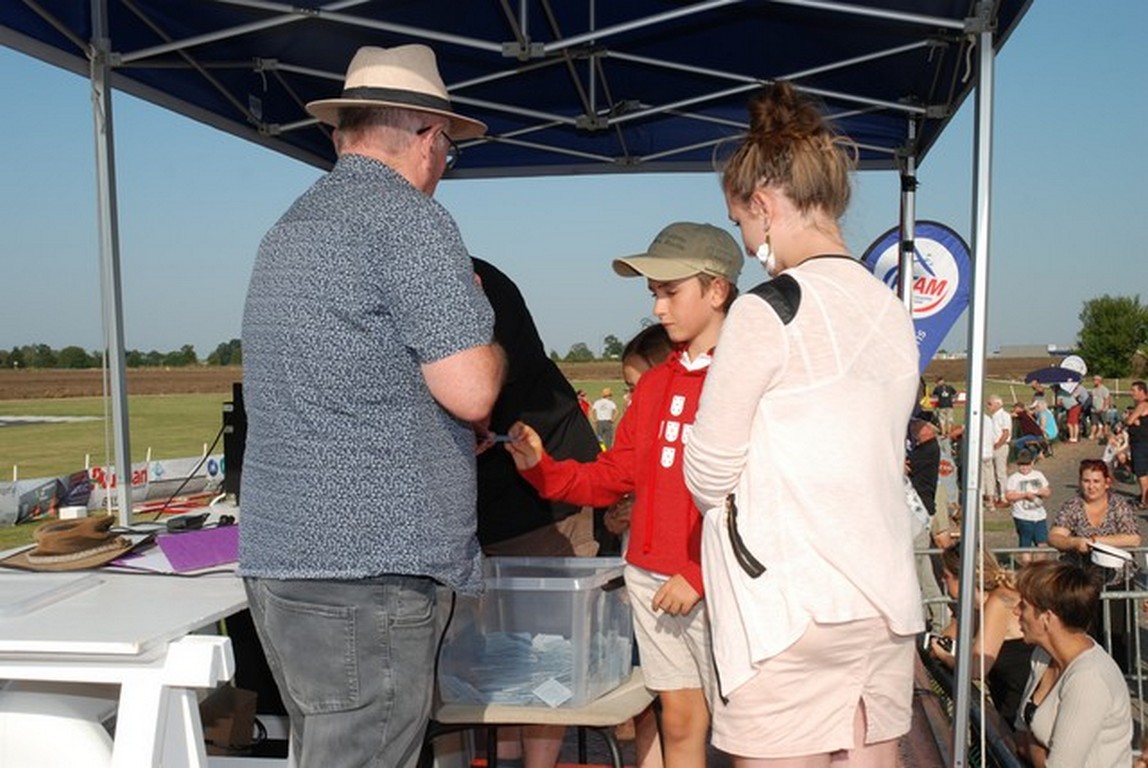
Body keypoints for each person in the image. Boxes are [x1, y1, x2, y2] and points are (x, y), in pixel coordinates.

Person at [238, 45, 504, 768]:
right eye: (448, 148)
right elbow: (473, 389)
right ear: (427, 137)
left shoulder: (289, 229)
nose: (444, 164)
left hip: (284, 559)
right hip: (371, 569)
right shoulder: (409, 221)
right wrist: (481, 327)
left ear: (343, 134)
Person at [683, 82, 923, 766]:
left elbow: (708, 471)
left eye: (740, 222)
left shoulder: (767, 309)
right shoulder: (891, 310)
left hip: (789, 609)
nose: (746, 238)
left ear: (763, 206)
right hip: (881, 598)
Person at [507, 221, 744, 768]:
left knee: (743, 731)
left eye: (671, 292)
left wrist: (699, 572)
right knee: (678, 718)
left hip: (717, 582)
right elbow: (615, 474)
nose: (658, 308)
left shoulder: (744, 377)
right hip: (650, 579)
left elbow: (758, 496)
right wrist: (543, 470)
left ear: (717, 290)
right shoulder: (656, 384)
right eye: (654, 293)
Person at [471, 257, 605, 768]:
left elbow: (483, 385)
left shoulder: (473, 281)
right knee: (491, 654)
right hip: (476, 507)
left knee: (548, 649)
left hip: (545, 496)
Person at [603, 323, 674, 768]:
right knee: (646, 697)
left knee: (678, 705)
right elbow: (617, 493)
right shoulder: (635, 430)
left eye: (636, 386)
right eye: (628, 389)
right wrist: (615, 517)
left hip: (675, 589)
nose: (631, 399)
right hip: (640, 584)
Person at [1013, 560, 1132, 768]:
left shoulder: (1088, 679)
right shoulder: (1042, 655)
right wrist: (1035, 748)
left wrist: (1031, 745)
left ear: (1047, 617)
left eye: (1023, 605)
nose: (1016, 612)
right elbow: (1020, 733)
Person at [1047, 458, 1141, 672]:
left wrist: (1095, 541)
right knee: (1085, 635)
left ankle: (1121, 677)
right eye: (1086, 481)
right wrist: (1073, 542)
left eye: (1096, 481)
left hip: (1117, 580)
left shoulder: (1119, 505)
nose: (1091, 486)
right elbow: (1054, 536)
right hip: (1083, 583)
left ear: (1107, 482)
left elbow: (1134, 538)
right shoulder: (1072, 505)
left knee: (1119, 636)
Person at [928, 545, 1032, 731]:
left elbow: (977, 667)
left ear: (963, 578)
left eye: (946, 575)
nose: (942, 580)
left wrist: (944, 656)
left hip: (1021, 707)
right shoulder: (979, 604)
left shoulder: (998, 602)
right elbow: (952, 632)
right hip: (1008, 698)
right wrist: (935, 644)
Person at [1004, 450, 1051, 553]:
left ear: (1032, 463)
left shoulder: (1038, 475)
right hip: (1022, 516)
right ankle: (1027, 562)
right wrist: (1024, 495)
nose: (1024, 468)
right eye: (1021, 465)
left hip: (1040, 516)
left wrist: (1040, 492)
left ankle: (1041, 563)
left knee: (1042, 544)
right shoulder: (1014, 478)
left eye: (1027, 465)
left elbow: (1047, 492)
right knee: (1026, 545)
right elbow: (1009, 496)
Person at [1126, 380, 1148, 509]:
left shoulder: (1142, 405)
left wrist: (1132, 418)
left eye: (1133, 390)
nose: (1131, 393)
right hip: (1141, 442)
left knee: (1141, 473)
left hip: (1141, 443)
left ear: (1141, 391)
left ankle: (1144, 501)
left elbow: (1129, 421)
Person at [987, 395, 1012, 506]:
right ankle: (996, 495)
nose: (988, 406)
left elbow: (1006, 432)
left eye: (990, 404)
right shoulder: (993, 416)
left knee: (1000, 472)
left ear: (998, 404)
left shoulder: (1004, 416)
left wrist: (998, 444)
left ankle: (1004, 496)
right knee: (993, 473)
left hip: (1000, 446)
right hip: (993, 446)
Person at [1089, 374, 1112, 441]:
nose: (1094, 381)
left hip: (1102, 409)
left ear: (1099, 381)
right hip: (1094, 409)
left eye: (1095, 380)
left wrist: (1104, 407)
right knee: (1093, 423)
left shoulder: (1104, 389)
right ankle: (1092, 434)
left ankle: (1105, 435)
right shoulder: (1093, 389)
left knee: (1104, 423)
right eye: (1093, 380)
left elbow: (1106, 399)